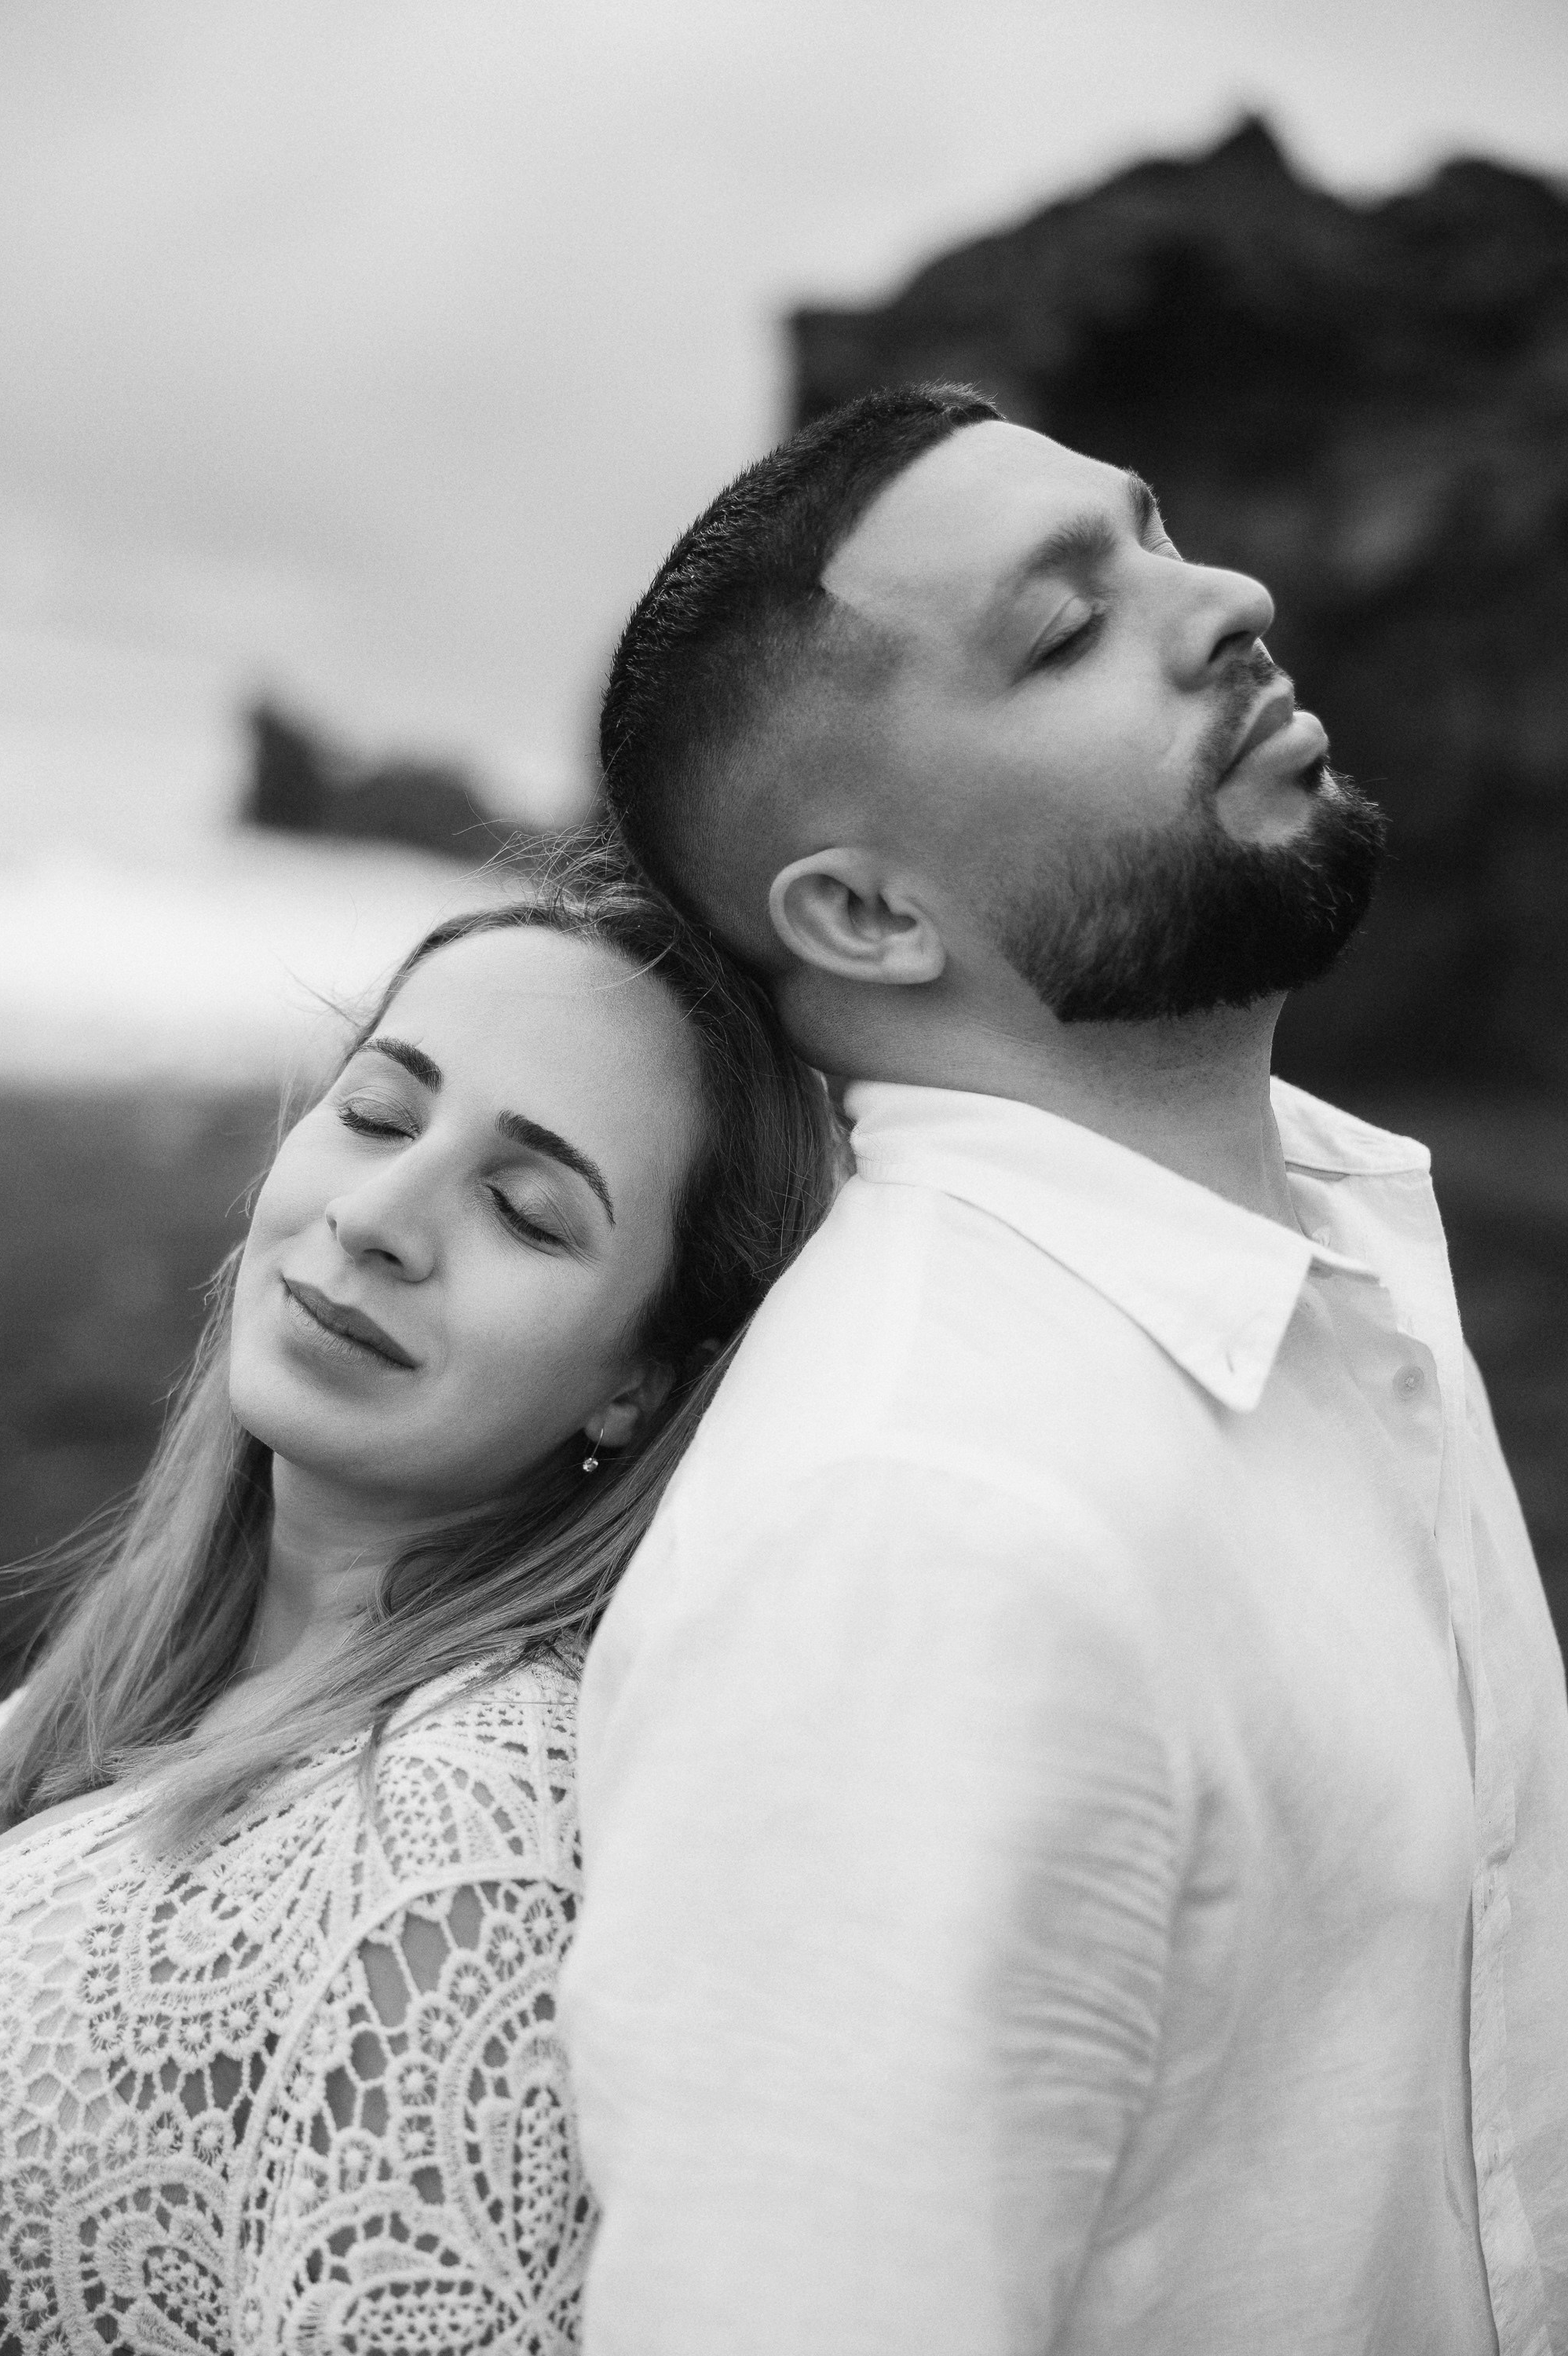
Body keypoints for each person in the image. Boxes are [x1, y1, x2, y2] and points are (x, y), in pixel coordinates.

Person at [561, 385, 1568, 2354]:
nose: (1229, 598)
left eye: (1157, 532)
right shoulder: (916, 1527)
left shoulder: (1327, 1274)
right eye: (1058, 632)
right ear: (860, 913)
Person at [0, 840, 839, 2354]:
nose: (380, 1213)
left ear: (638, 1382)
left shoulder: (471, 1823)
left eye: (525, 1211)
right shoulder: (128, 1688)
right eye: (379, 1109)